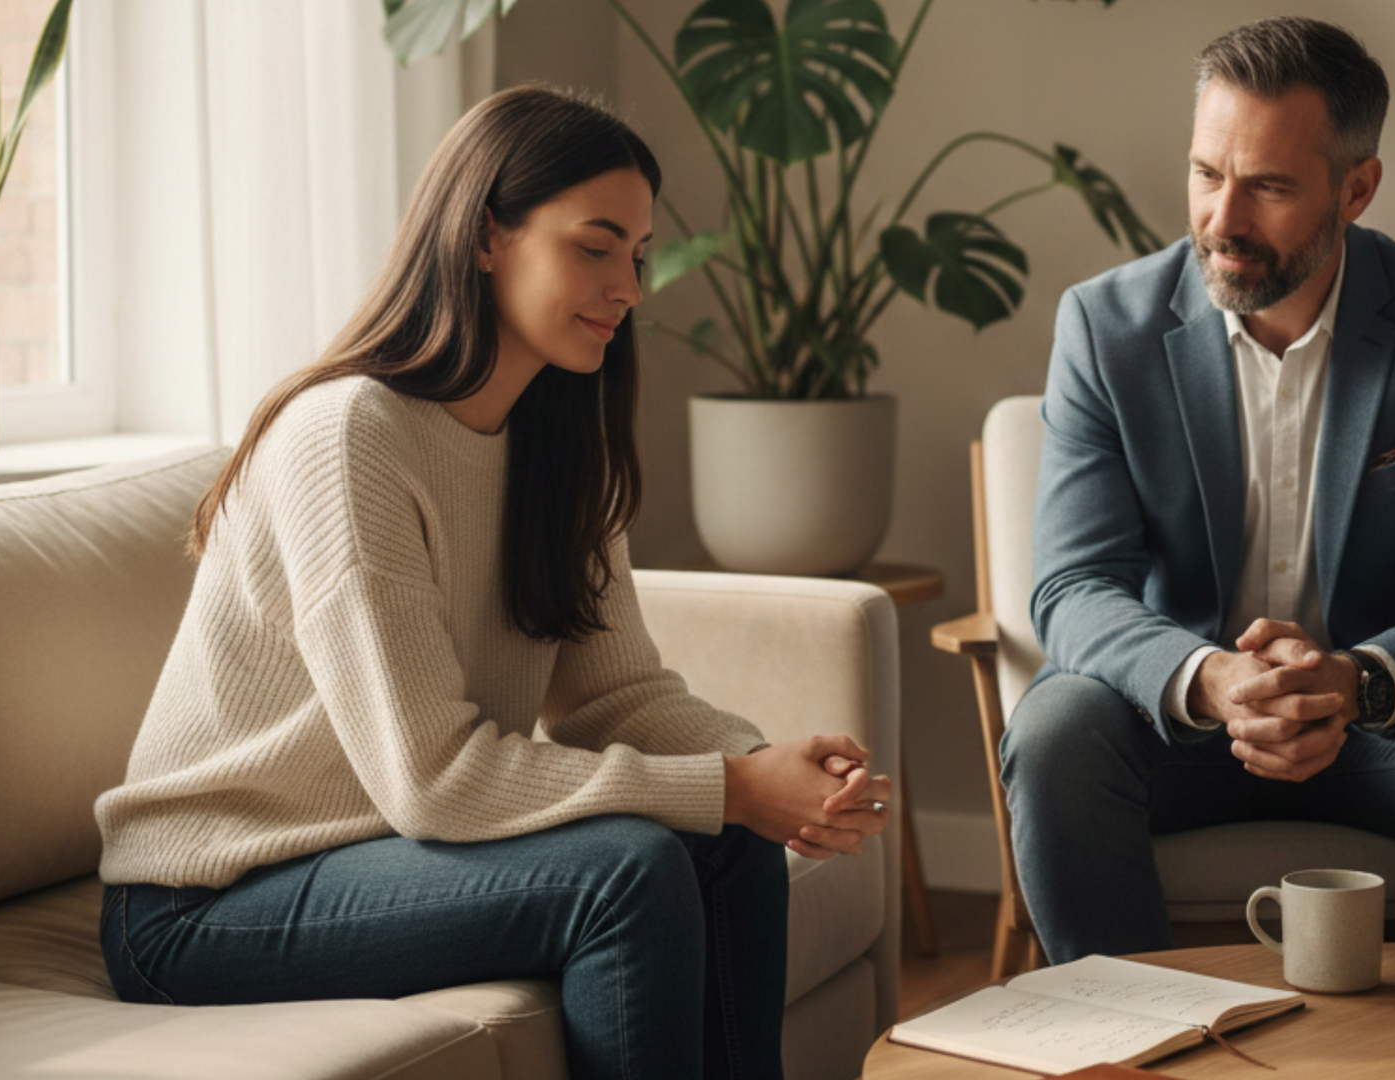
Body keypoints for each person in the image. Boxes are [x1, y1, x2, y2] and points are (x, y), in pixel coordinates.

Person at [94, 85, 890, 1079]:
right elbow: (435, 777)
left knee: (727, 846)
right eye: (594, 248)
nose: (629, 286)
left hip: (375, 851)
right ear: (483, 239)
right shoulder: (349, 437)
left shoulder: (562, 441)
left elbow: (614, 694)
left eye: (638, 257)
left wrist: (764, 768)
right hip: (205, 900)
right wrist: (730, 786)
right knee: (629, 872)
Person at [1000, 16, 1395, 963]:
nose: (1222, 220)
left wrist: (1357, 679)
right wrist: (1214, 679)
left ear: (1357, 188)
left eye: (1269, 186)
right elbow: (1073, 588)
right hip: (1171, 721)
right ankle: (1124, 1042)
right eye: (1208, 174)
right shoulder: (1104, 326)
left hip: (1380, 725)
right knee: (1055, 731)